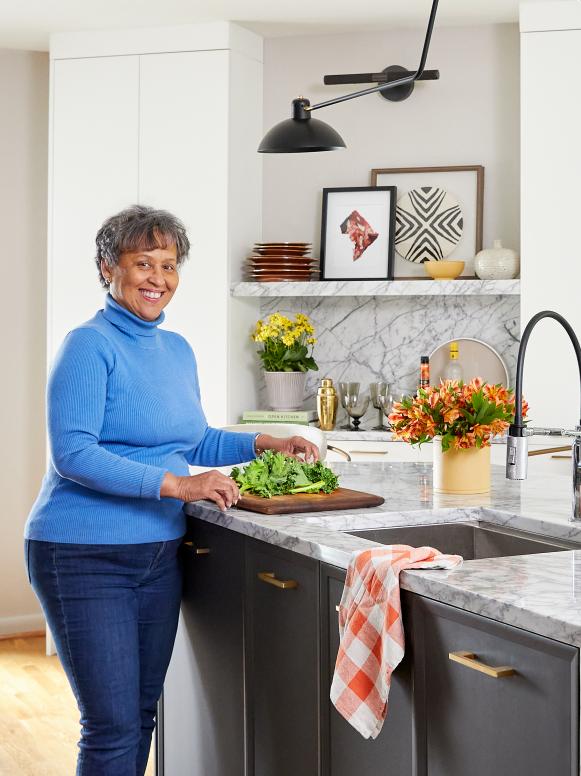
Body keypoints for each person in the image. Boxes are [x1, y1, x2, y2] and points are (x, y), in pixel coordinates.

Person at [24, 205, 319, 776]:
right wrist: (179, 486)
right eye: (143, 263)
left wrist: (265, 442)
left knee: (139, 716)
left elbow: (194, 438)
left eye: (169, 264)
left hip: (158, 556)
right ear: (109, 267)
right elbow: (74, 454)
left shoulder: (177, 349)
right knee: (110, 728)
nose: (158, 278)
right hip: (83, 554)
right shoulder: (88, 345)